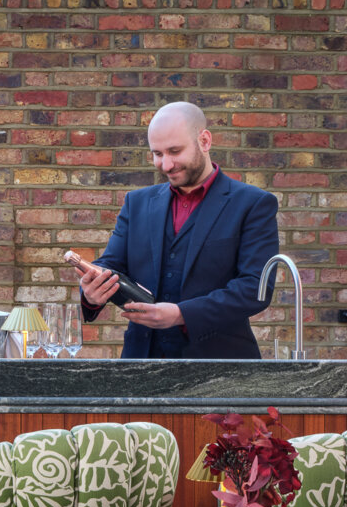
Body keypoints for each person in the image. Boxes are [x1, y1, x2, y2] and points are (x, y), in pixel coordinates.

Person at [75, 102, 279, 359]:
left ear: (204, 141)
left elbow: (254, 289)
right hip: (140, 366)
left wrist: (181, 314)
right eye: (157, 154)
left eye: (174, 151)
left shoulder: (253, 204)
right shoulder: (136, 203)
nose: (166, 165)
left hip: (222, 368)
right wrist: (92, 292)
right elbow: (111, 264)